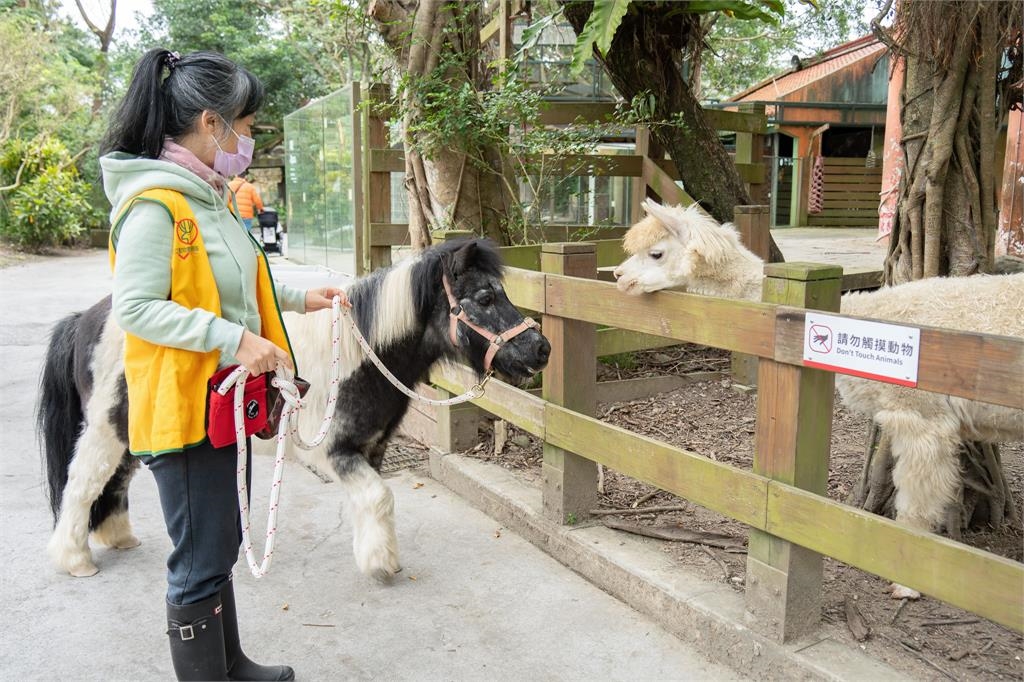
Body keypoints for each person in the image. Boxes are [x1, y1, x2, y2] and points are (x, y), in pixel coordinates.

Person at [100, 48, 346, 681]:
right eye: (249, 125)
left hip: (222, 402)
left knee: (221, 541)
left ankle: (231, 665)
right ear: (212, 123)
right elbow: (137, 308)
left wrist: (299, 296)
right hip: (182, 407)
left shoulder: (209, 196)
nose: (251, 139)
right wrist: (235, 341)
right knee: (199, 557)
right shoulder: (157, 206)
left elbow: (233, 280)